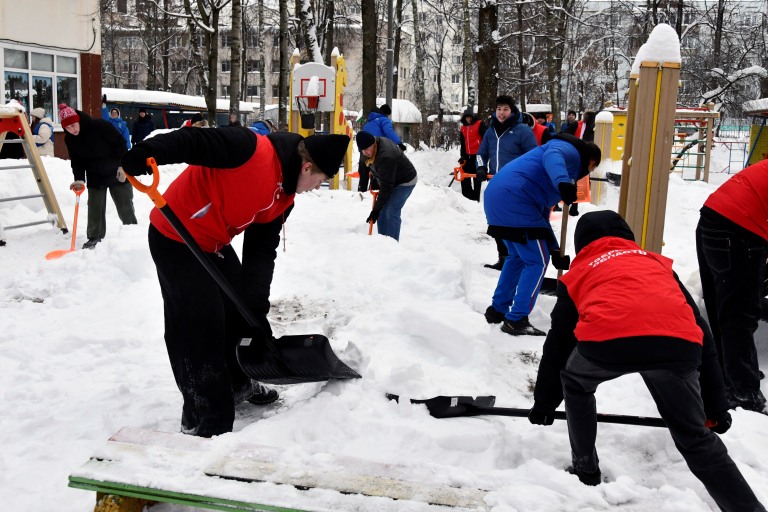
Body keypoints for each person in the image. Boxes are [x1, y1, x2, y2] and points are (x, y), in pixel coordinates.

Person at [120, 127, 351, 438]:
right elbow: (194, 142)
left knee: (237, 310)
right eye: (320, 180)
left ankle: (238, 384)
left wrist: (255, 313)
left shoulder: (284, 198)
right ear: (307, 167)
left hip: (213, 242)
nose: (316, 188)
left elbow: (260, 254)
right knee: (198, 325)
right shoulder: (251, 150)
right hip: (175, 237)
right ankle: (204, 417)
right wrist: (147, 153)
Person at [528, 211, 765, 512]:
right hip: (676, 346)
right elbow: (703, 335)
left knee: (575, 382)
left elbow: (559, 343)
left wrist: (545, 403)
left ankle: (586, 467)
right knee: (695, 437)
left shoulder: (580, 272)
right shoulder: (657, 264)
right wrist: (714, 407)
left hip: (608, 346)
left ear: (582, 244)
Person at [483, 134, 600, 335]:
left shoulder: (545, 169)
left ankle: (497, 310)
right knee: (537, 261)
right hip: (517, 198)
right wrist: (563, 183)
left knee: (517, 257)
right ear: (591, 162)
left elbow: (540, 218)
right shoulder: (569, 150)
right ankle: (517, 319)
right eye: (592, 169)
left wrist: (554, 248)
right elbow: (554, 156)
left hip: (500, 198)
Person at [696, 158, 768, 414]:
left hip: (714, 219)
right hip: (737, 229)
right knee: (739, 312)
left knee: (725, 305)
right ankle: (742, 392)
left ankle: (730, 374)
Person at [59, 103, 137, 249]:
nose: (72, 130)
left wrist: (123, 166)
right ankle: (94, 237)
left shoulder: (99, 126)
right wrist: (79, 179)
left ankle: (132, 232)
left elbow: (120, 143)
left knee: (125, 203)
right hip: (95, 173)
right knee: (95, 206)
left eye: (73, 125)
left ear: (78, 120)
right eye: (67, 128)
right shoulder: (70, 139)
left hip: (115, 169)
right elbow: (77, 161)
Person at [476, 95, 538, 270]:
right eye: (499, 109)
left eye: (505, 109)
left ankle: (519, 258)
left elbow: (533, 156)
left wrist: (525, 177)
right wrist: (481, 167)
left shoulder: (522, 130)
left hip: (516, 185)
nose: (501, 113)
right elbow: (481, 154)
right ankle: (503, 258)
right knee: (496, 222)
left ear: (512, 111)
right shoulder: (491, 131)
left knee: (514, 223)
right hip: (495, 184)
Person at [356, 130, 417, 241]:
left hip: (405, 181)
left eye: (366, 149)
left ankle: (392, 245)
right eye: (362, 150)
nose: (364, 153)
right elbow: (369, 168)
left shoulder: (386, 155)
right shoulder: (368, 150)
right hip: (390, 179)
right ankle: (382, 243)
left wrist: (375, 210)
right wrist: (374, 181)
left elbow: (387, 187)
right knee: (382, 212)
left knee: (391, 211)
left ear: (373, 144)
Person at [358, 104, 406, 192]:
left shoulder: (369, 121)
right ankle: (375, 191)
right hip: (374, 149)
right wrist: (399, 143)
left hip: (363, 150)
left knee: (363, 173)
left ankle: (361, 192)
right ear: (387, 114)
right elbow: (389, 131)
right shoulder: (384, 119)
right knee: (376, 173)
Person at [458, 108, 487, 202]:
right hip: (467, 156)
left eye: (470, 117)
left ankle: (476, 199)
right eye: (467, 117)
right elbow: (463, 144)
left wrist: (484, 153)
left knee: (477, 177)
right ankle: (467, 198)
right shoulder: (463, 128)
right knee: (464, 177)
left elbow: (486, 139)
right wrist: (462, 156)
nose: (469, 119)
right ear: (464, 118)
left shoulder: (479, 124)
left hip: (478, 155)